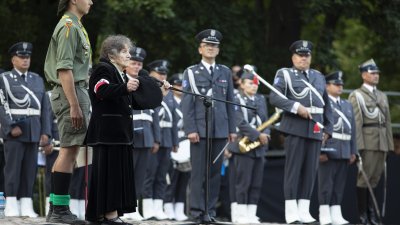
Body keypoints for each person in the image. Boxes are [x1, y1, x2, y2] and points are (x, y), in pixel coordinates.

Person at [269, 40, 333, 224]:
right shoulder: (285, 74)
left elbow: (326, 103)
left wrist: (328, 128)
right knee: (294, 170)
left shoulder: (319, 76)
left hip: (315, 128)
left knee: (310, 171)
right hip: (295, 127)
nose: (303, 59)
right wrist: (296, 106)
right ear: (293, 57)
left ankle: (304, 211)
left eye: (306, 56)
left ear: (310, 58)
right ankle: (291, 212)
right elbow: (274, 96)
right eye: (300, 55)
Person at [43, 0, 93, 223]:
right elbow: (64, 68)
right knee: (68, 150)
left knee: (70, 150)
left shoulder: (77, 26)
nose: (91, 1)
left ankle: (57, 209)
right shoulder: (68, 27)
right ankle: (60, 210)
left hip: (76, 91)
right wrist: (73, 104)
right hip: (69, 93)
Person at [181, 29, 237, 222]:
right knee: (198, 174)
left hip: (220, 130)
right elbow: (187, 102)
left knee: (214, 174)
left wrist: (232, 130)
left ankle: (210, 211)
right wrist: (190, 129)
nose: (211, 48)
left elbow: (230, 102)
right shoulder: (191, 72)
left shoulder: (225, 72)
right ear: (200, 49)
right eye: (208, 45)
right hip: (200, 130)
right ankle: (197, 212)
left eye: (215, 46)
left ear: (218, 50)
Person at [84, 35, 141, 225]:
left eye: (128, 51)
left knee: (115, 174)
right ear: (111, 54)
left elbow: (133, 97)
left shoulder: (120, 72)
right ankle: (108, 214)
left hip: (119, 134)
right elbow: (101, 91)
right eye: (124, 51)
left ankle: (108, 213)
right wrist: (125, 87)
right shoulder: (104, 69)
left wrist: (156, 88)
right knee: (109, 174)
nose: (129, 55)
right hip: (108, 133)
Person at [0, 42, 51, 217]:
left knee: (30, 170)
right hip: (15, 131)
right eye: (21, 57)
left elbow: (45, 108)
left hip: (34, 130)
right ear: (13, 59)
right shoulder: (4, 78)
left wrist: (46, 132)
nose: (25, 60)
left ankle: (26, 203)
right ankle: (12, 203)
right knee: (13, 169)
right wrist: (10, 126)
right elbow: (1, 104)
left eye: (27, 57)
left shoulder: (37, 79)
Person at [348, 59, 394, 225]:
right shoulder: (357, 95)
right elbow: (356, 123)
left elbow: (387, 122)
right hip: (367, 141)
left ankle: (371, 214)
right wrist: (357, 147)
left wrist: (389, 145)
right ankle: (364, 216)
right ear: (363, 75)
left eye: (377, 73)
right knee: (364, 178)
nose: (376, 76)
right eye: (372, 73)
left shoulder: (382, 95)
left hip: (381, 142)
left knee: (374, 179)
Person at [122, 46, 161, 221]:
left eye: (139, 64)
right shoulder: (120, 80)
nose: (137, 66)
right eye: (133, 63)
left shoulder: (146, 83)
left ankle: (133, 207)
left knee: (140, 175)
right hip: (128, 136)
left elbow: (153, 112)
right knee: (126, 174)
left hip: (146, 136)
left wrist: (156, 138)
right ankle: (121, 206)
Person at [229, 71, 269, 224]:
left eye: (256, 84)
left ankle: (251, 213)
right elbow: (239, 122)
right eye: (250, 83)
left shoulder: (260, 100)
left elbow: (266, 120)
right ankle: (240, 213)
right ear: (242, 84)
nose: (254, 86)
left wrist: (267, 134)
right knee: (243, 182)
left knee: (256, 182)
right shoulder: (236, 98)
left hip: (258, 146)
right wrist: (258, 135)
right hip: (243, 144)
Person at [318, 71, 357, 225]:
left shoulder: (347, 104)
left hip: (345, 149)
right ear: (327, 86)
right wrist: (320, 150)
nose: (340, 87)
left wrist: (354, 151)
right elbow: (319, 127)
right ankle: (324, 214)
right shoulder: (323, 103)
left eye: (341, 84)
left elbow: (353, 130)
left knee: (339, 185)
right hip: (329, 149)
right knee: (325, 185)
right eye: (336, 84)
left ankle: (336, 213)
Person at [142, 59, 179, 220]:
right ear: (151, 74)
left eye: (164, 73)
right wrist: (155, 139)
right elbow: (153, 117)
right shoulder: (149, 90)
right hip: (152, 139)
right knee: (149, 174)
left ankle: (158, 207)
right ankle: (148, 208)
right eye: (159, 73)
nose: (162, 76)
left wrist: (175, 141)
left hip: (167, 140)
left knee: (162, 176)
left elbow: (174, 121)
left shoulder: (169, 93)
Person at [164, 73, 191, 221]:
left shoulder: (188, 102)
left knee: (184, 179)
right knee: (171, 179)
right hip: (173, 143)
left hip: (187, 143)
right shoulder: (168, 100)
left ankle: (179, 208)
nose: (181, 88)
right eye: (178, 85)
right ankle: (168, 207)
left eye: (183, 85)